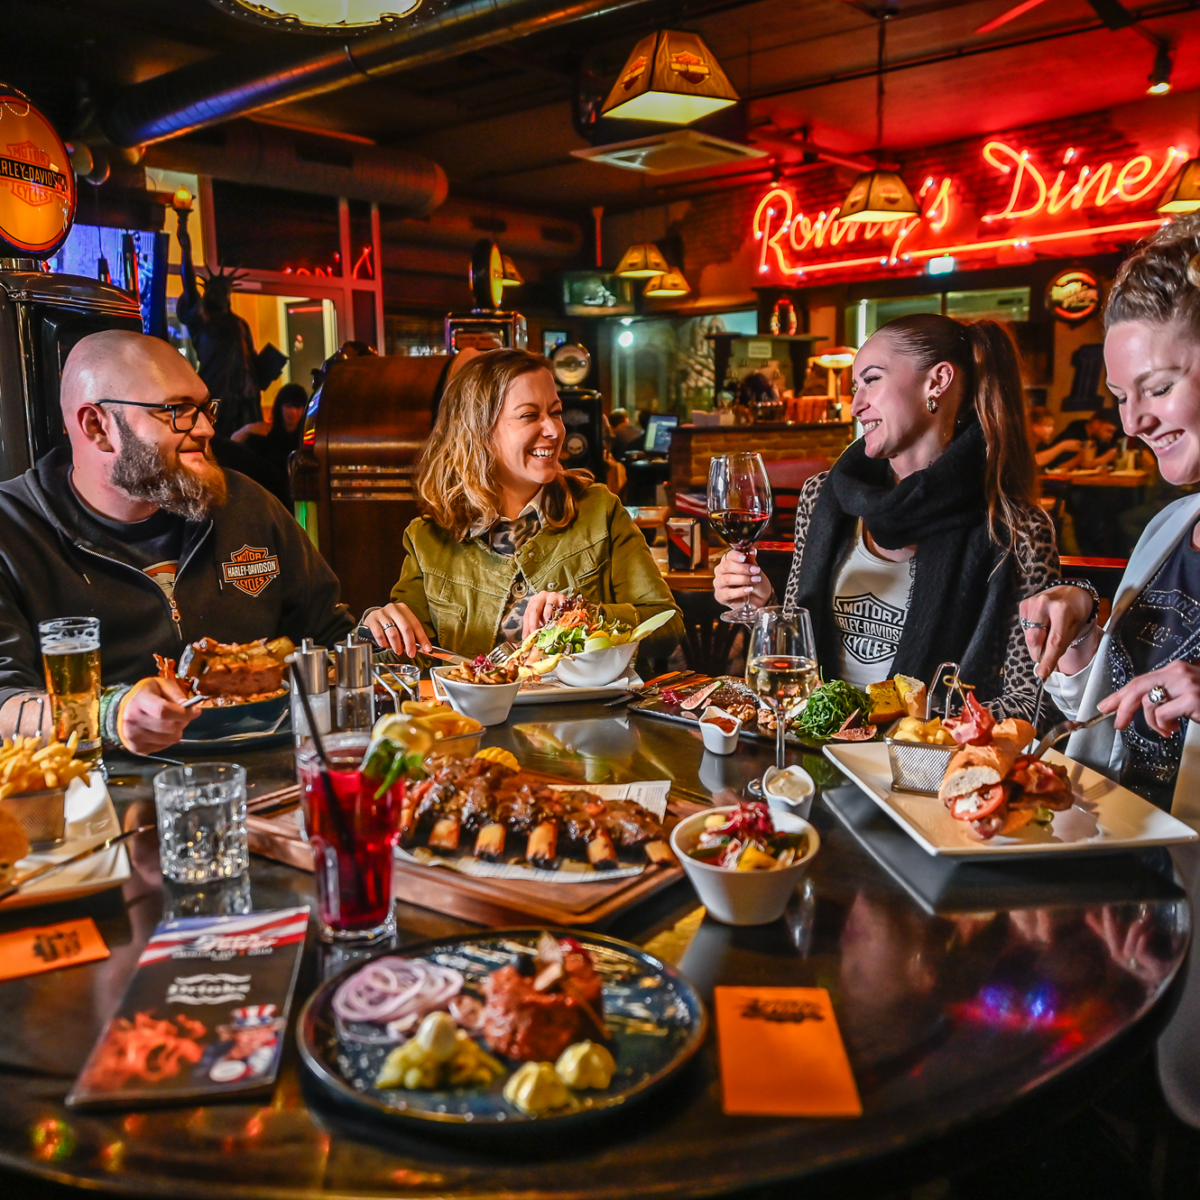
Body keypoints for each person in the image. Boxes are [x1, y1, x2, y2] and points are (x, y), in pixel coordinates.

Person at [0, 331, 353, 754]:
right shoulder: (13, 530)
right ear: (97, 426)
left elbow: (331, 638)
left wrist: (378, 634)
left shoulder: (246, 505)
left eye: (205, 409)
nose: (204, 429)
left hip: (271, 773)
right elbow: (4, 702)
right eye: (177, 411)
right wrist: (111, 713)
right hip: (102, 794)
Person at [714, 314, 1059, 721]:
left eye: (871, 380)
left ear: (938, 381)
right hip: (812, 747)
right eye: (855, 387)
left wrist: (909, 733)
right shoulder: (825, 496)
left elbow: (1034, 703)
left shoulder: (1015, 529)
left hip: (921, 770)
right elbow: (795, 661)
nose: (856, 404)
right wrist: (765, 606)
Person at [1021, 213, 1200, 818]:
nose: (1133, 423)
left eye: (1158, 387)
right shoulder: (1167, 530)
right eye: (1122, 398)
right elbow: (1108, 723)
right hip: (1122, 873)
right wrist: (1077, 646)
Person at [364, 348, 682, 661]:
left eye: (555, 412)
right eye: (530, 415)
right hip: (468, 715)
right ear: (479, 431)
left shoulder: (599, 510)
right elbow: (407, 658)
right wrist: (378, 629)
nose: (554, 430)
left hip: (582, 713)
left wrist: (585, 617)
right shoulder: (429, 538)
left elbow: (668, 625)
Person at [176, 211, 283, 438]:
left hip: (246, 397)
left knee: (248, 447)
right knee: (219, 446)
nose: (222, 295)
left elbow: (250, 357)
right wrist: (185, 249)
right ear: (208, 293)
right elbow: (190, 286)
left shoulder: (240, 324)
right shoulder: (203, 321)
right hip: (218, 396)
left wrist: (267, 367)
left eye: (225, 291)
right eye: (217, 290)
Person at [234, 382, 307, 485]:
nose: (293, 412)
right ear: (280, 407)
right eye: (288, 406)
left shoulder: (307, 438)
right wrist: (246, 429)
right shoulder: (264, 435)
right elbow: (233, 446)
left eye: (298, 407)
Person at [1052, 407, 1122, 470]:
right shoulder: (1073, 434)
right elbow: (1056, 467)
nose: (1111, 435)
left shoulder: (1099, 440)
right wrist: (1103, 459)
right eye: (1109, 431)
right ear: (1096, 424)